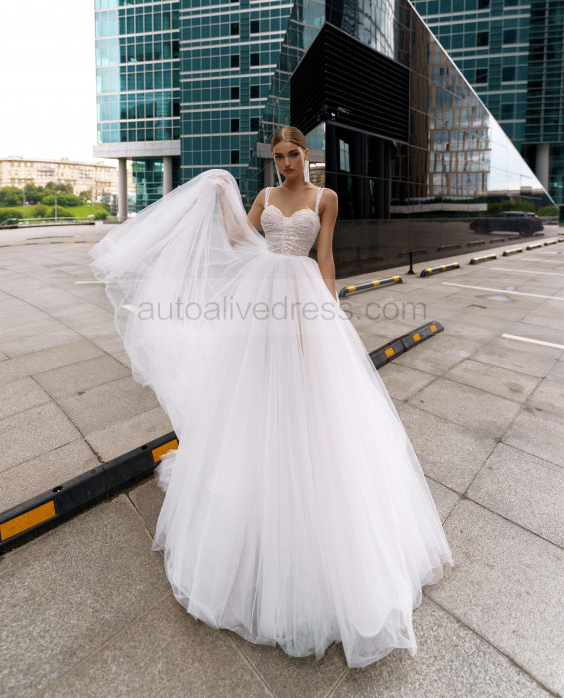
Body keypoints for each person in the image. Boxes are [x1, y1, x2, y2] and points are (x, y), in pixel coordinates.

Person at [88, 125, 454, 669]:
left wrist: (329, 312)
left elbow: (324, 256)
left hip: (304, 298)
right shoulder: (264, 197)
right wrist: (221, 197)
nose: (286, 164)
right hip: (262, 299)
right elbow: (241, 241)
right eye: (279, 157)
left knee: (316, 400)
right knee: (254, 395)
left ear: (309, 155)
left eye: (293, 155)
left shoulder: (324, 198)